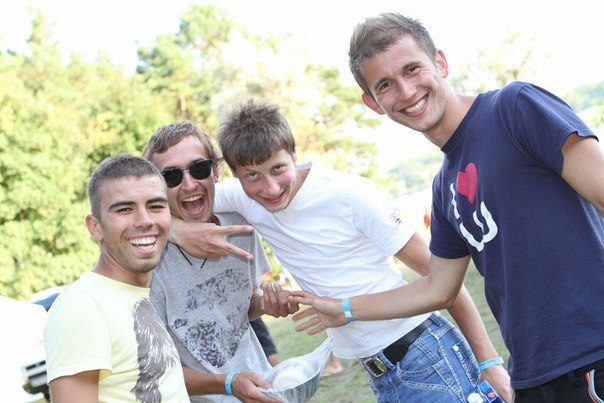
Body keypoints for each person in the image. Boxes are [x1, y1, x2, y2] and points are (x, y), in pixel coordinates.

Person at [288, 12, 604, 403]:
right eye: (385, 85)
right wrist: (345, 309)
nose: (406, 91)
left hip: (593, 358)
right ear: (373, 103)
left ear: (440, 62)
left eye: (412, 69)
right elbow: (438, 288)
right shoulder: (443, 189)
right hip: (535, 378)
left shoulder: (514, 107)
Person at [172, 97, 512, 402]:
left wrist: (490, 363)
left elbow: (445, 283)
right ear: (234, 175)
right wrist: (177, 230)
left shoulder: (349, 195)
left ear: (293, 154)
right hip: (381, 371)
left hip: (424, 354)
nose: (270, 188)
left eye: (278, 168)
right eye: (253, 176)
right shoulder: (242, 197)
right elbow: (161, 201)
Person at [142, 121, 280, 403]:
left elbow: (240, 307)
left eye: (199, 168)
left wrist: (267, 302)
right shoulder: (148, 261)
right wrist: (228, 384)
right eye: (171, 176)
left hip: (264, 390)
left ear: (216, 171)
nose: (189, 184)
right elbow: (155, 370)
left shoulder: (239, 227)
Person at [43, 154, 190, 402]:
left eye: (155, 206)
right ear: (95, 227)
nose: (145, 221)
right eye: (124, 209)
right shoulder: (82, 305)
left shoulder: (134, 294)